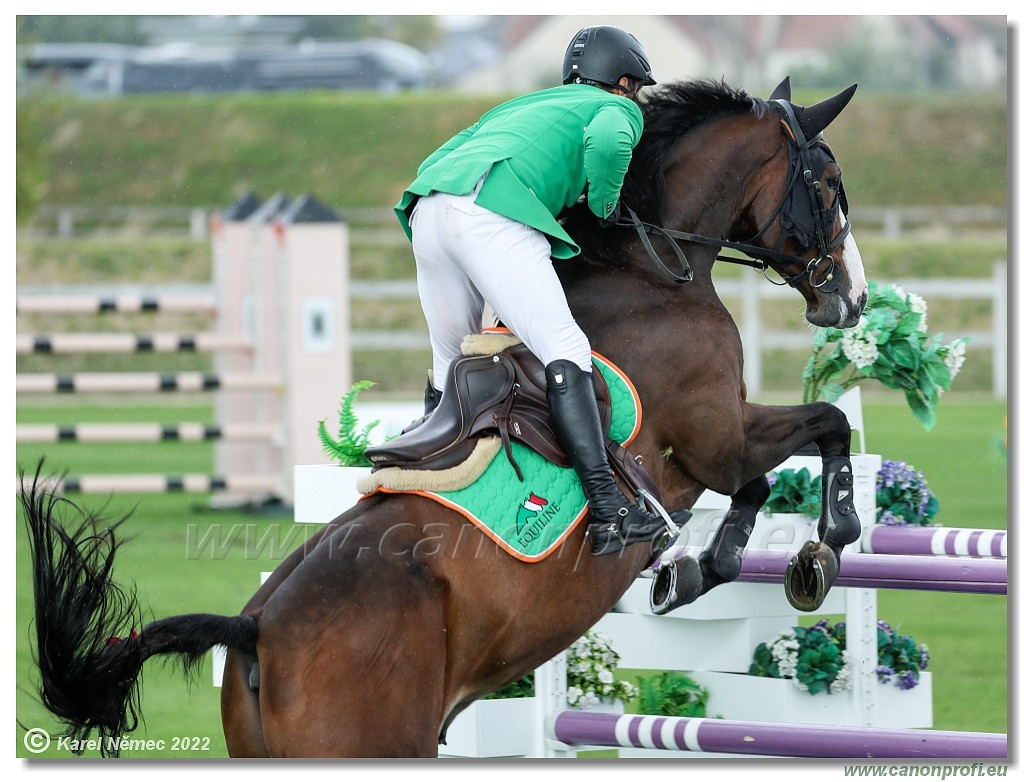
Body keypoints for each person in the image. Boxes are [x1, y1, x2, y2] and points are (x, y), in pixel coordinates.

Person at [393, 25, 680, 557]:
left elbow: (450, 150)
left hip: (431, 206)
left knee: (450, 359)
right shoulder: (617, 107)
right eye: (634, 88)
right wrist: (604, 204)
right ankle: (609, 509)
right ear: (623, 81)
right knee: (565, 351)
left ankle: (422, 480)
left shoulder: (529, 104)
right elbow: (611, 141)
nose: (635, 97)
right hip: (491, 215)